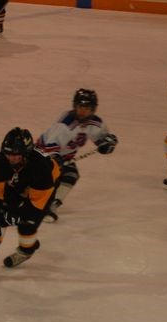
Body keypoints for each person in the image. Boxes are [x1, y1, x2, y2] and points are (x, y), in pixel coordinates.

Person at [0, 127, 60, 271]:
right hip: (18, 183)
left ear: (26, 153)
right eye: (8, 153)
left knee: (27, 224)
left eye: (16, 155)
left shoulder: (40, 168)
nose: (11, 158)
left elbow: (35, 208)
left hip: (43, 188)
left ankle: (27, 250)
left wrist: (14, 217)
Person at [35, 88, 118, 222]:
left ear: (93, 109)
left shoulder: (95, 123)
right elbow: (49, 147)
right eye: (80, 107)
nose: (83, 111)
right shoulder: (65, 125)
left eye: (88, 108)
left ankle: (51, 205)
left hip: (64, 157)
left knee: (71, 175)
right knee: (46, 179)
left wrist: (107, 144)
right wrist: (55, 161)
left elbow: (103, 141)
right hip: (42, 155)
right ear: (75, 106)